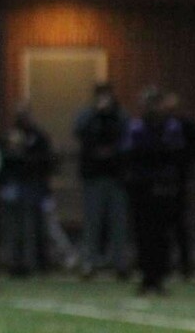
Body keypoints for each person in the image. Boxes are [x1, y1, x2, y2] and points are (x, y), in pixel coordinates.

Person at [122, 86, 185, 295]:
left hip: (163, 187)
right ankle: (147, 276)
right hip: (142, 187)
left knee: (161, 235)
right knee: (143, 234)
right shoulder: (137, 127)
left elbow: (175, 154)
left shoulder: (171, 127)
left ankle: (159, 276)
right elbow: (131, 154)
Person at [74, 81, 130, 280]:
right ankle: (89, 263)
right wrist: (96, 113)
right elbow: (79, 131)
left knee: (118, 223)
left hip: (116, 177)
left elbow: (126, 136)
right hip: (94, 176)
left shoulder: (120, 115)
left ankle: (120, 264)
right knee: (92, 223)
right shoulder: (88, 115)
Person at [0, 102, 53, 277]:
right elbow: (2, 160)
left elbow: (45, 161)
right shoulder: (9, 135)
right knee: (13, 228)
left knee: (31, 227)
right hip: (13, 186)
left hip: (32, 186)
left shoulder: (38, 137)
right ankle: (14, 262)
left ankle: (33, 262)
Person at [160, 91, 195, 279]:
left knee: (180, 226)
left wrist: (183, 159)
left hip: (179, 181)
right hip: (160, 182)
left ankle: (184, 266)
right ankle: (164, 265)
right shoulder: (159, 126)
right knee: (162, 227)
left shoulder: (187, 126)